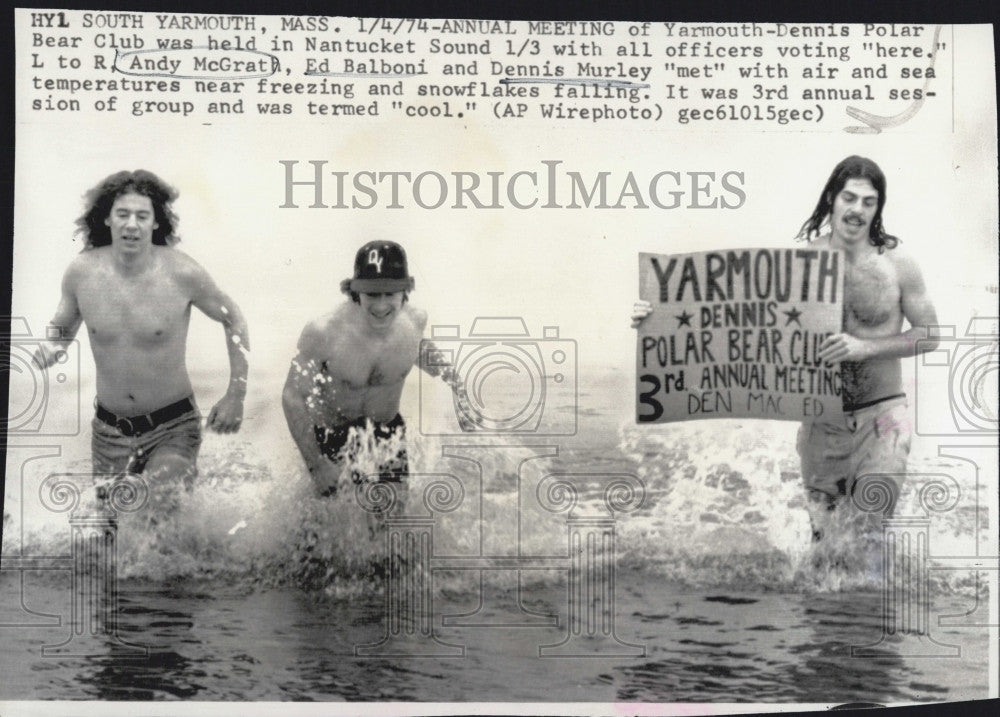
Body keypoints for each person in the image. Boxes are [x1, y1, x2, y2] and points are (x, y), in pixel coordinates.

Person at [632, 156, 939, 538]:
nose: (857, 209)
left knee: (869, 533)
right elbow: (734, 317)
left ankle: (868, 595)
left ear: (879, 207)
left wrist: (864, 348)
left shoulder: (898, 263)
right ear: (832, 199)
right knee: (824, 544)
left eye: (868, 201)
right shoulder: (803, 264)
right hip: (822, 421)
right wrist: (657, 314)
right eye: (849, 197)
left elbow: (929, 334)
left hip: (883, 416)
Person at [32, 170, 249, 492]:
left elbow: (234, 319)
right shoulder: (81, 273)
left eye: (142, 216)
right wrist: (52, 347)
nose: (131, 224)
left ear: (156, 222)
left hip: (174, 426)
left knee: (158, 505)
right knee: (110, 534)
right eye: (122, 214)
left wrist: (236, 394)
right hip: (109, 431)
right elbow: (61, 330)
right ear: (107, 219)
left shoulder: (182, 272)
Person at [282, 240, 474, 497]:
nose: (381, 305)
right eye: (372, 294)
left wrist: (457, 386)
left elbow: (419, 350)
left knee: (393, 524)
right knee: (322, 530)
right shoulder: (324, 332)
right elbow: (292, 396)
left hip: (388, 434)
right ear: (355, 291)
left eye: (390, 294)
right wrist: (316, 466)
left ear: (405, 292)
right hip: (333, 437)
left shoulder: (414, 322)